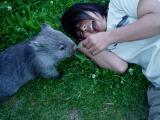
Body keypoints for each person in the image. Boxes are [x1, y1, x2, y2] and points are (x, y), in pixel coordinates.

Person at [61, 0, 160, 119]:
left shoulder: (118, 4)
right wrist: (84, 46)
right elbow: (120, 67)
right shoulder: (104, 47)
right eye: (80, 33)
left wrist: (108, 37)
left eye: (80, 20)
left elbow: (157, 19)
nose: (84, 28)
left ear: (88, 7)